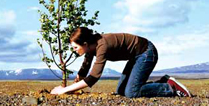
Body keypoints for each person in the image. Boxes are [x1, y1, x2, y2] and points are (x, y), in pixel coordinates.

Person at [51, 27, 192, 98]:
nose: (74, 51)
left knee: (132, 93)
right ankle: (162, 81)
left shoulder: (102, 45)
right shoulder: (90, 48)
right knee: (121, 91)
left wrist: (63, 90)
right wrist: (77, 81)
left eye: (76, 47)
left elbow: (93, 77)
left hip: (146, 53)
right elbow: (86, 67)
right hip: (135, 56)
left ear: (86, 43)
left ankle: (170, 88)